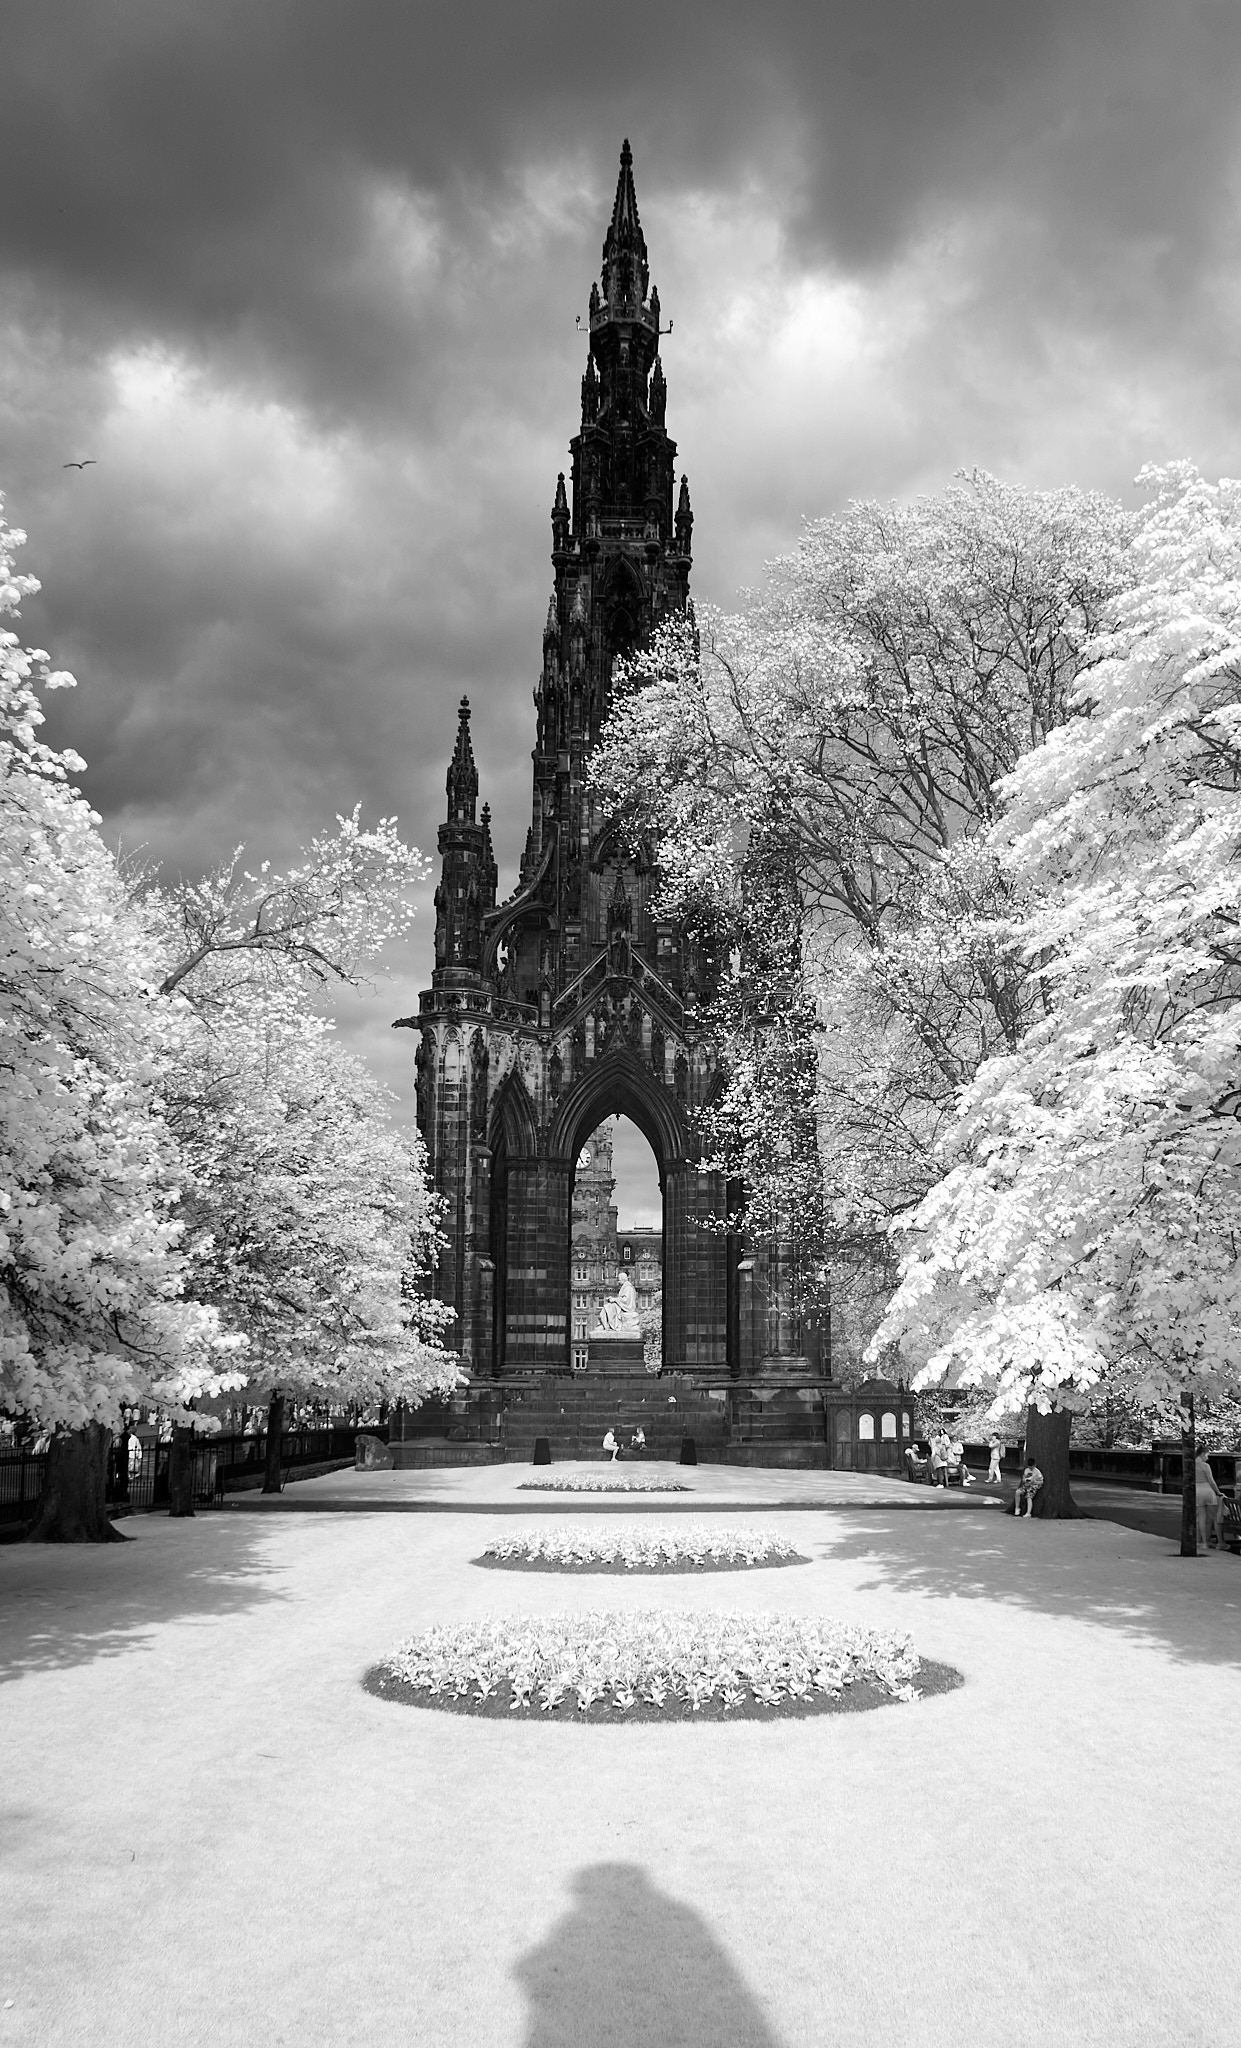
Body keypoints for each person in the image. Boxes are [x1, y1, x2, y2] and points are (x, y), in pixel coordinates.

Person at [1195, 1449, 1224, 1550]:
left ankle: (1203, 1542)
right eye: (1207, 1455)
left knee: (1201, 1518)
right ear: (1202, 1454)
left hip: (1197, 1491)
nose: (1207, 1458)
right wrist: (1218, 1492)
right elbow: (1211, 1481)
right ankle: (1220, 1542)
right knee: (1215, 1517)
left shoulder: (1191, 1465)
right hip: (1207, 1491)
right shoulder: (1205, 1466)